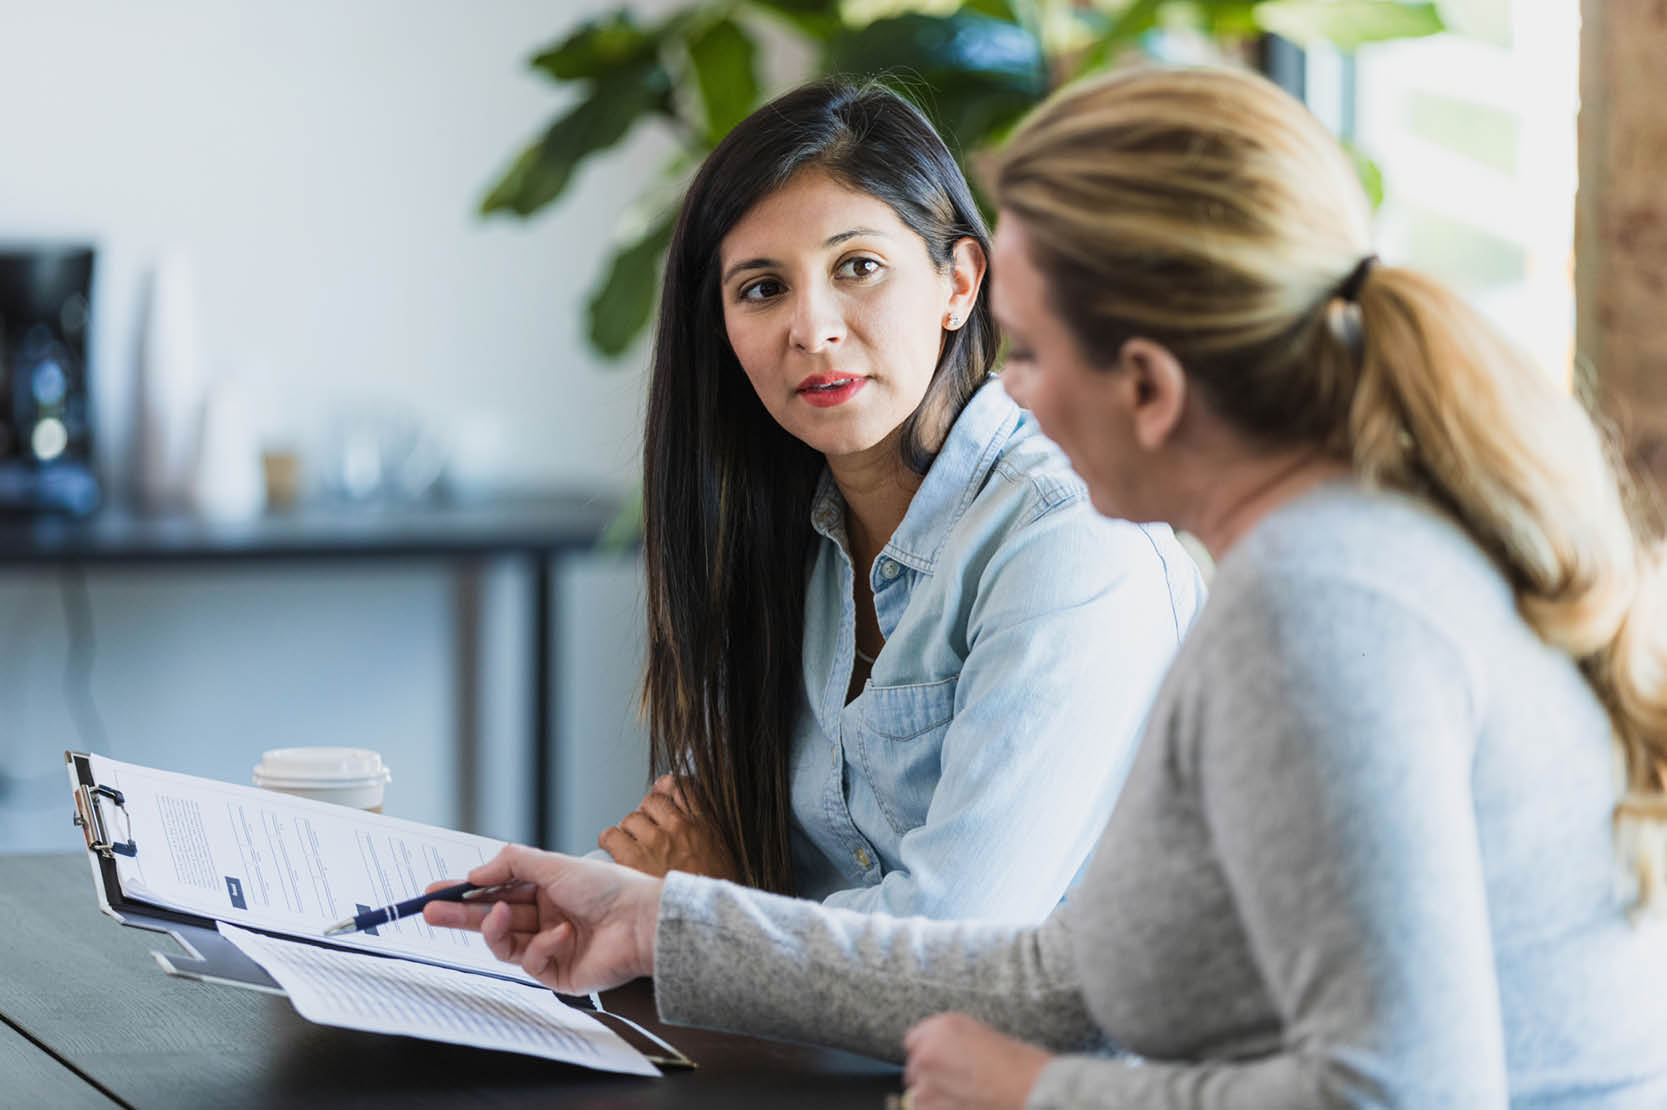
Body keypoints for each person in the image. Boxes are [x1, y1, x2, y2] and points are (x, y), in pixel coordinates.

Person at [429, 65, 1667, 1107]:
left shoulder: (1314, 605)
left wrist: (1036, 1093)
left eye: (1025, 348)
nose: (1007, 393)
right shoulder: (1315, 568)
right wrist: (652, 919)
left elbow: (1395, 1094)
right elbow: (1070, 979)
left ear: (1149, 385)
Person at [591, 80, 1202, 921]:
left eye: (858, 267)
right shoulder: (774, 537)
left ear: (958, 283)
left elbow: (953, 945)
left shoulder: (1071, 541)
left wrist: (707, 907)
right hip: (816, 1053)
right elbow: (683, 841)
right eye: (762, 288)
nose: (812, 329)